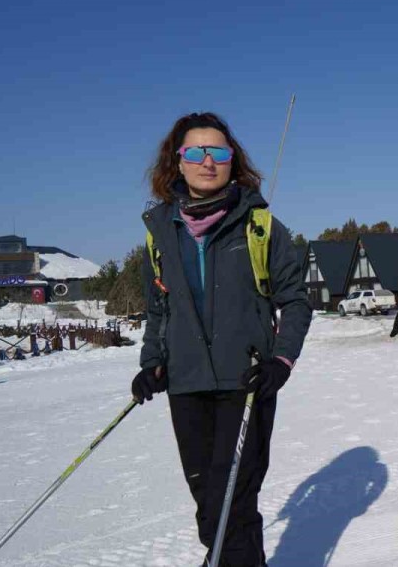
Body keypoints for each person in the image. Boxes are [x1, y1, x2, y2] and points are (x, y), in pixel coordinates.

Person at [132, 112, 312, 567]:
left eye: (219, 152)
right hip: (187, 384)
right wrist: (151, 362)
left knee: (233, 498)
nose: (207, 161)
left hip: (245, 381)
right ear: (178, 161)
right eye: (196, 151)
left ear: (233, 160)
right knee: (211, 504)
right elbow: (159, 307)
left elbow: (295, 301)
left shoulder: (260, 227)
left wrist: (281, 360)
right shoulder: (161, 233)